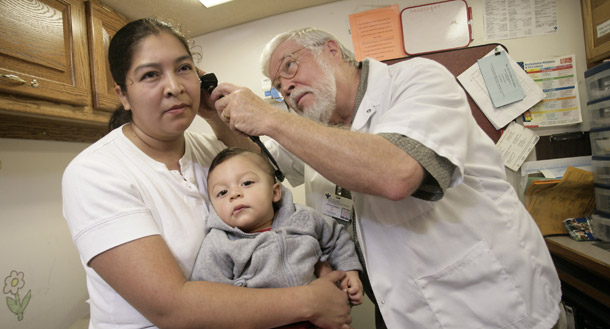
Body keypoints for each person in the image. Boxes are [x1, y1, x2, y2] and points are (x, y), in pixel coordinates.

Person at [210, 27, 563, 329]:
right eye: (277, 86)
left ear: (332, 50)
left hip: (489, 305)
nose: (285, 87)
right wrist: (213, 114)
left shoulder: (416, 80)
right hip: (404, 310)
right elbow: (253, 165)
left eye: (290, 66)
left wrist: (270, 118)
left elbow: (397, 174)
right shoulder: (313, 131)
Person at [62, 19, 353, 329]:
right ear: (122, 94)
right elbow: (170, 308)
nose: (174, 87)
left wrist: (216, 115)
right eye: (150, 75)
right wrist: (310, 301)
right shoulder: (95, 172)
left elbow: (271, 196)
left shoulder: (210, 150)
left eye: (184, 68)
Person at [192, 148, 364, 328]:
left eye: (246, 183)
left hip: (321, 319)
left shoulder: (303, 218)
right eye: (222, 193)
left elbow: (337, 239)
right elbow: (209, 297)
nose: (234, 194)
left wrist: (349, 271)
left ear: (275, 192)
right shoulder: (219, 244)